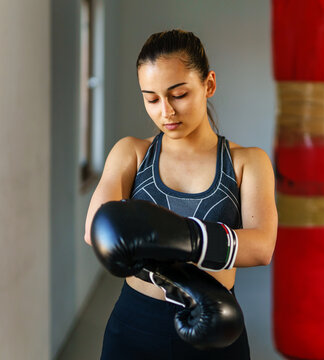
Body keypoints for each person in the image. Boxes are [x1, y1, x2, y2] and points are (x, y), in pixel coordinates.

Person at [84, 29, 277, 359]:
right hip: (135, 324)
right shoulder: (132, 153)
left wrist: (170, 239)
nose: (166, 112)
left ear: (209, 85)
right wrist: (189, 250)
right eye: (152, 98)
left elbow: (261, 246)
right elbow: (96, 230)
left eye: (179, 94)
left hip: (216, 325)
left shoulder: (248, 162)